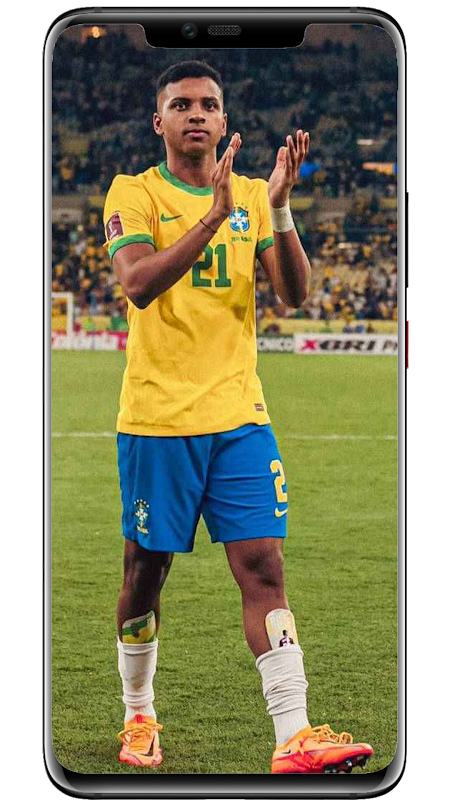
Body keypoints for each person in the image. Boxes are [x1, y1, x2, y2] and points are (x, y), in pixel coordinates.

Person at [103, 60, 373, 775]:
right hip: (158, 421)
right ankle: (138, 713)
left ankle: (293, 734)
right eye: (181, 105)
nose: (196, 114)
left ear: (224, 121)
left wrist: (278, 209)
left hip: (240, 417)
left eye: (209, 104)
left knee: (264, 567)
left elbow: (293, 294)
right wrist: (214, 217)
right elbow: (137, 283)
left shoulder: (254, 193)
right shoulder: (134, 192)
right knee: (146, 572)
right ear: (158, 122)